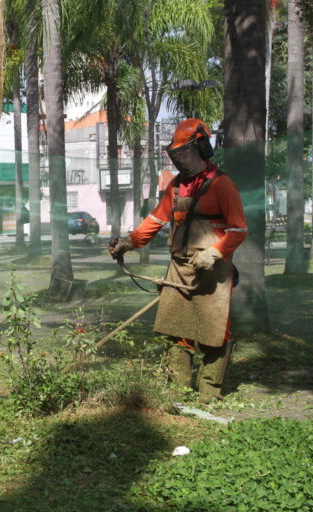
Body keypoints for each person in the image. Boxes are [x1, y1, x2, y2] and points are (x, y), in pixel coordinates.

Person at [109, 118, 247, 402]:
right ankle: (177, 388)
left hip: (213, 270)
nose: (180, 161)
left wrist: (214, 253)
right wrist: (129, 242)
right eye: (176, 155)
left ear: (201, 149)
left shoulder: (223, 185)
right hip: (179, 268)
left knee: (215, 330)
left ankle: (209, 392)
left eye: (184, 154)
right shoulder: (174, 186)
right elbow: (155, 219)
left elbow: (239, 230)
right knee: (175, 327)